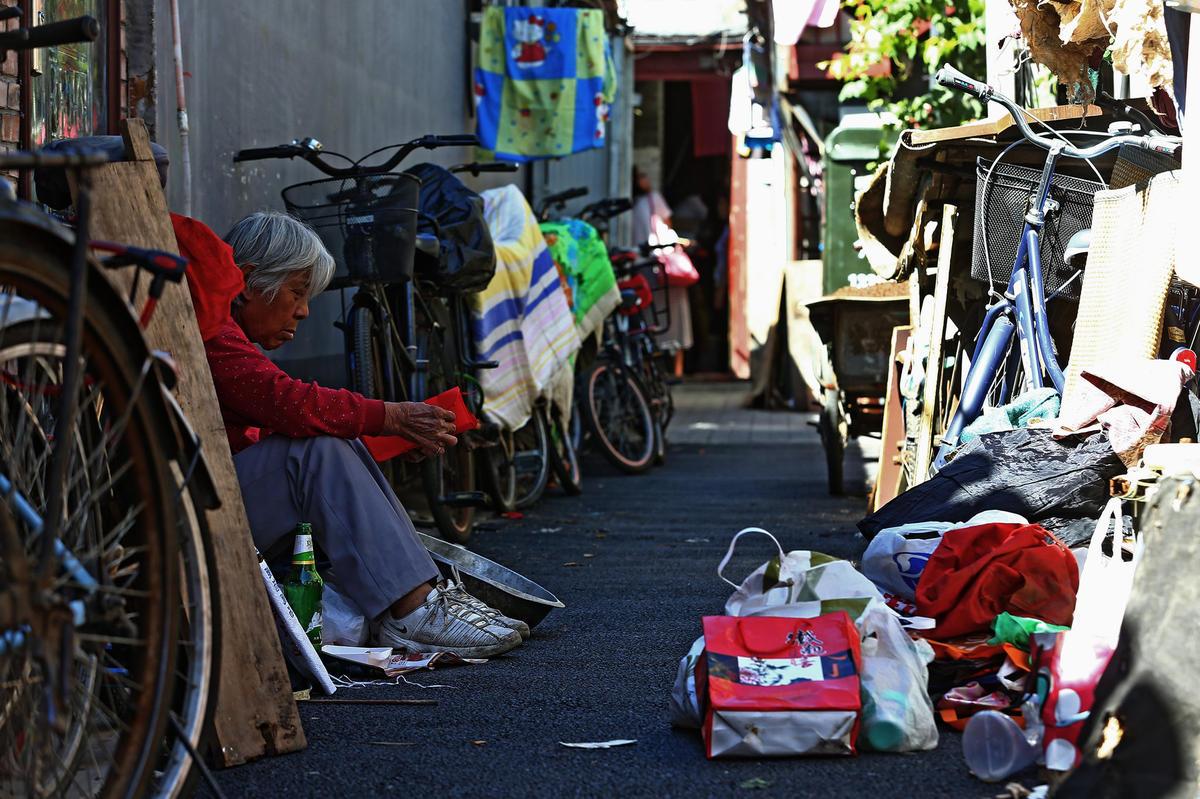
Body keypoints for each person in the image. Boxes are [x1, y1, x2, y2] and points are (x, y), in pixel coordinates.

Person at [204, 211, 526, 658]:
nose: (303, 310)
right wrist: (390, 417)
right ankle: (412, 611)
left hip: (221, 497)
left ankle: (421, 599)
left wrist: (389, 439)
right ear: (249, 282)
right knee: (316, 448)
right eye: (297, 292)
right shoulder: (212, 333)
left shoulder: (222, 330)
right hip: (200, 518)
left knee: (335, 439)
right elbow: (288, 403)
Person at [631, 168, 692, 377]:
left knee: (649, 321)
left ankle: (652, 371)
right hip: (664, 267)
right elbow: (668, 222)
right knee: (676, 319)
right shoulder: (652, 199)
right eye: (642, 176)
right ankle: (677, 370)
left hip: (643, 268)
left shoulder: (630, 206)